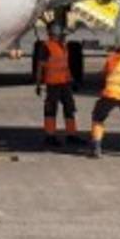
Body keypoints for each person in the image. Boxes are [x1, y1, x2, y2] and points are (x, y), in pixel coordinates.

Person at [34, 14, 81, 147]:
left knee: (70, 108)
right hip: (53, 84)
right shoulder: (47, 47)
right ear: (55, 33)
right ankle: (50, 136)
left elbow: (64, 66)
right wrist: (38, 84)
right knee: (51, 109)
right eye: (61, 32)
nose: (64, 35)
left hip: (65, 83)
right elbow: (40, 67)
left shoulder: (63, 46)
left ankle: (71, 135)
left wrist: (71, 80)